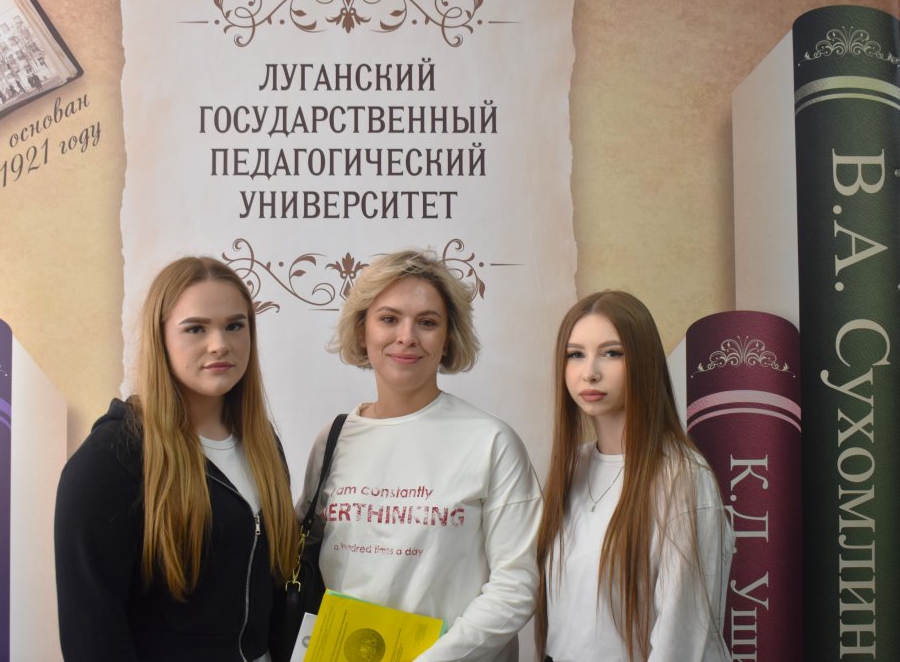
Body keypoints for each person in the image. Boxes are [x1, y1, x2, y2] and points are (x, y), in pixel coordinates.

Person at [299, 249, 542, 662]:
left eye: (427, 322)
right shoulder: (334, 439)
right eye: (389, 319)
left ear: (448, 339)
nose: (407, 337)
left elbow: (516, 586)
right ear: (362, 331)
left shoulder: (491, 441)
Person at [54, 256, 297, 662]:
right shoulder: (112, 457)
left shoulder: (262, 445)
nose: (220, 344)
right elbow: (92, 629)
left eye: (234, 326)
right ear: (160, 338)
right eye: (196, 328)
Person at [536, 290, 734, 662]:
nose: (589, 372)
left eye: (612, 353)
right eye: (575, 354)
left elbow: (682, 637)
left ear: (642, 361)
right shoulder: (572, 467)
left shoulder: (681, 477)